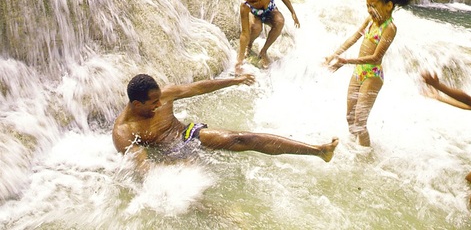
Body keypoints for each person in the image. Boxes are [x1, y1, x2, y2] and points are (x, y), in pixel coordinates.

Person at [113, 73, 339, 171]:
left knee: (242, 138)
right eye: (153, 103)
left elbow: (198, 87)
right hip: (170, 156)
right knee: (192, 196)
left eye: (159, 99)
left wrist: (234, 81)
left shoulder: (165, 95)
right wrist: (175, 166)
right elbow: (143, 167)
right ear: (136, 104)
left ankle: (318, 151)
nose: (160, 104)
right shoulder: (123, 132)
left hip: (188, 135)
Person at [324, 0, 414, 147]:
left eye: (373, 6)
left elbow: (376, 58)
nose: (369, 10)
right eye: (367, 6)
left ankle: (365, 156)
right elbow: (354, 37)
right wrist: (334, 55)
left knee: (360, 121)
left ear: (388, 6)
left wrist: (346, 60)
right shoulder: (370, 20)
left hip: (372, 75)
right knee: (350, 117)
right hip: (358, 72)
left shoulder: (389, 28)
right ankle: (352, 149)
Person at [421, 64, 471, 212]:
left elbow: (468, 99)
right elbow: (468, 106)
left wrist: (438, 85)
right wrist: (439, 97)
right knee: (468, 182)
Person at [235, 0, 300, 74]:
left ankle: (263, 51)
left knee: (280, 21)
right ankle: (249, 45)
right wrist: (240, 59)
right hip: (257, 15)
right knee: (256, 28)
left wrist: (293, 13)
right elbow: (244, 33)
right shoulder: (246, 4)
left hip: (270, 12)